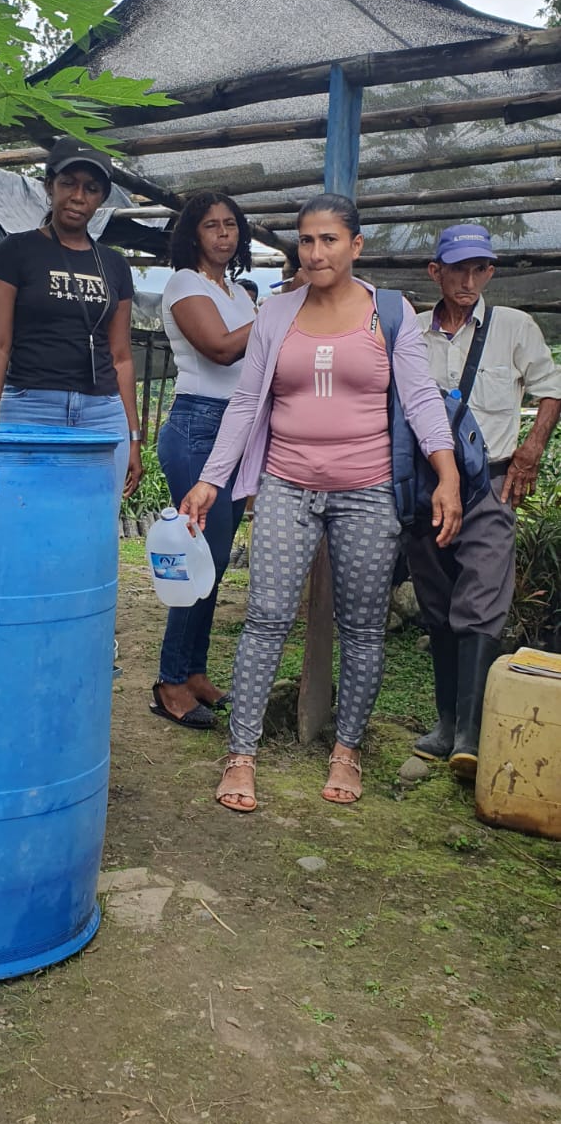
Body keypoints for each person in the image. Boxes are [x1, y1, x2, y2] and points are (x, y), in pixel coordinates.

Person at [181, 194, 462, 810]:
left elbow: (420, 400)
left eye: (329, 240)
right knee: (266, 618)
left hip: (368, 491)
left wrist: (447, 475)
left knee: (361, 627)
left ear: (355, 245)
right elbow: (247, 402)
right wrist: (211, 479)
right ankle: (241, 754)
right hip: (286, 484)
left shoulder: (390, 312)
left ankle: (347, 749)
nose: (315, 253)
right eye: (306, 241)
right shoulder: (276, 313)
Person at [407, 223, 561, 779]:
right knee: (436, 600)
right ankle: (446, 723)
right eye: (457, 269)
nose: (469, 281)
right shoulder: (412, 332)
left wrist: (531, 451)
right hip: (425, 486)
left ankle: (470, 735)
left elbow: (551, 388)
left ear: (490, 271)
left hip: (493, 482)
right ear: (436, 272)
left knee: (482, 598)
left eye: (480, 269)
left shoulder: (514, 327)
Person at [0, 146, 143, 513]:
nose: (78, 196)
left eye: (91, 188)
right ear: (49, 186)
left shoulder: (114, 265)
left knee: (94, 522)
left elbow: (121, 357)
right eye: (68, 183)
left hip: (103, 413)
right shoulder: (14, 252)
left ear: (101, 198)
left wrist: (132, 436)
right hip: (31, 408)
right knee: (21, 517)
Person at [151, 192, 256, 729]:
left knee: (213, 560)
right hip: (197, 424)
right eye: (211, 225)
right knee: (200, 555)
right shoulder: (183, 284)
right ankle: (169, 680)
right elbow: (220, 348)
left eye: (230, 224)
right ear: (193, 233)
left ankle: (194, 671)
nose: (223, 234)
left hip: (236, 426)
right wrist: (278, 311)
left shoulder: (238, 292)